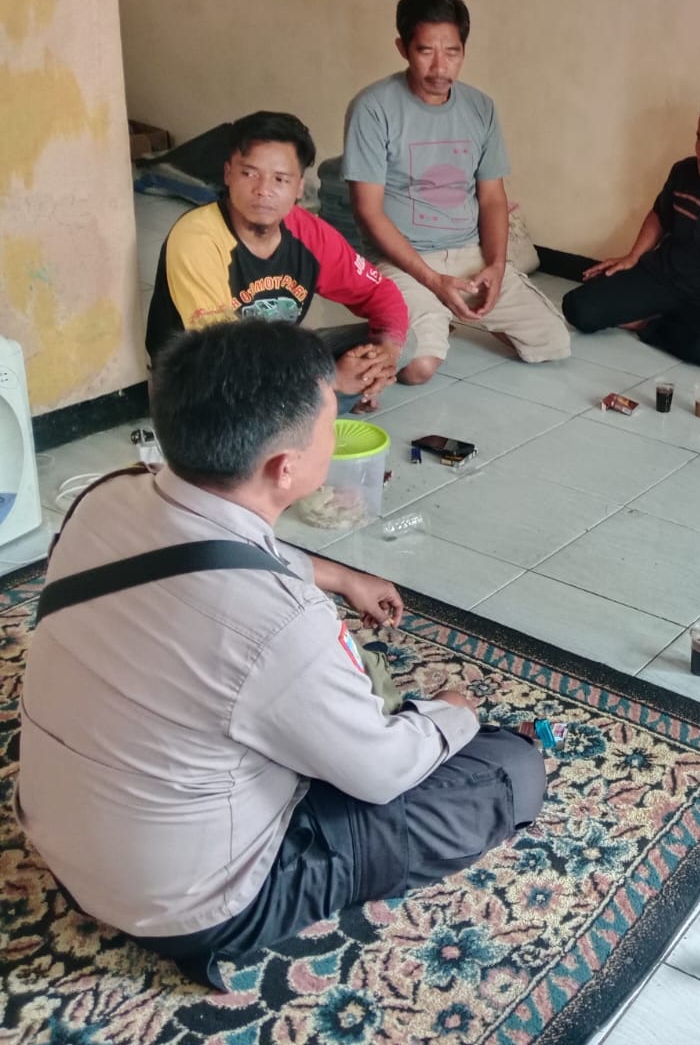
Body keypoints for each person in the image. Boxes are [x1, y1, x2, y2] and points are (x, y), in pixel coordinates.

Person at [17, 320, 546, 986]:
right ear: (286, 467)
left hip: (63, 835)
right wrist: (454, 713)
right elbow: (382, 773)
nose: (336, 432)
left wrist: (341, 576)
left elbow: (215, 545)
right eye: (330, 423)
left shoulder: (108, 493)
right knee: (510, 769)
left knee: (299, 696)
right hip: (190, 904)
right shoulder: (283, 622)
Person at [344, 0, 570, 385]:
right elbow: (368, 211)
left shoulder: (480, 107)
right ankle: (421, 310)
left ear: (464, 50)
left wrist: (495, 266)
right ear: (402, 48)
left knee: (551, 343)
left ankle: (441, 310)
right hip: (403, 261)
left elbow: (492, 198)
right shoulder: (373, 107)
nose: (440, 66)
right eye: (425, 51)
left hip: (469, 254)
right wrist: (432, 281)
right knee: (416, 369)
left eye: (452, 52)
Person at [144, 111, 412, 413]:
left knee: (400, 342)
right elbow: (223, 355)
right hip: (202, 377)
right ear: (228, 174)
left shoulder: (308, 232)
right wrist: (331, 381)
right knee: (249, 398)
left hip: (275, 359)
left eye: (281, 179)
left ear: (299, 187)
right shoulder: (197, 237)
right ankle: (318, 406)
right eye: (249, 174)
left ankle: (312, 408)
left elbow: (381, 294)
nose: (263, 190)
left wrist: (384, 355)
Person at [561, 94, 700, 368]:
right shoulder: (683, 171)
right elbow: (659, 215)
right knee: (578, 308)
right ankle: (658, 318)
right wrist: (633, 257)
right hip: (661, 276)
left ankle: (647, 324)